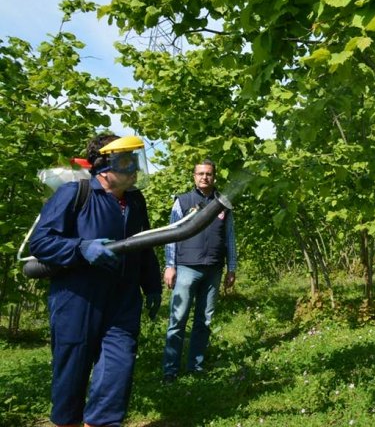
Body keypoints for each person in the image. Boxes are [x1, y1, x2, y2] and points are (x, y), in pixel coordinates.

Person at [29, 134, 162, 427]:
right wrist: (81, 248)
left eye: (135, 161)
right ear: (104, 165)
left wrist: (151, 285)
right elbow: (40, 242)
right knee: (71, 374)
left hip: (123, 301)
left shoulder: (136, 201)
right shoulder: (75, 194)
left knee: (118, 370)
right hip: (77, 300)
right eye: (127, 162)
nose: (134, 169)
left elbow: (143, 245)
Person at [162, 158, 237, 382]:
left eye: (209, 174)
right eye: (200, 174)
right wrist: (170, 265)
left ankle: (196, 366)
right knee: (177, 320)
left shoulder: (223, 203)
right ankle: (170, 371)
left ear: (214, 177)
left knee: (204, 321)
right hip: (186, 267)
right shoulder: (183, 201)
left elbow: (230, 237)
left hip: (214, 268)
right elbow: (171, 234)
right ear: (194, 177)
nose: (205, 177)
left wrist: (231, 267)